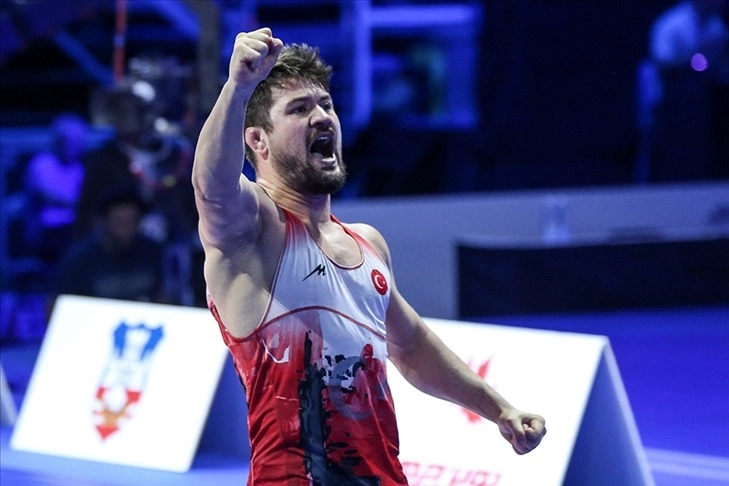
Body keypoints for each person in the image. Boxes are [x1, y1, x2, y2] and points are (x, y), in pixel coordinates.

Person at [192, 28, 546, 484]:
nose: (322, 117)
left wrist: (498, 409)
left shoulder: (367, 243)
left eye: (326, 105)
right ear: (257, 141)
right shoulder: (254, 230)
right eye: (299, 109)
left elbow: (411, 346)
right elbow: (212, 187)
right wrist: (238, 87)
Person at [53, 184, 168, 304]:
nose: (126, 229)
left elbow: (164, 297)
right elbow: (56, 305)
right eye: (120, 222)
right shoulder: (79, 259)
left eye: (132, 221)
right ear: (103, 221)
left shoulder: (153, 251)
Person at [22, 113, 88, 265]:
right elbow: (45, 194)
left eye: (77, 141)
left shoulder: (80, 168)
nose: (73, 146)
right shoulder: (41, 163)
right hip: (50, 231)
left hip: (77, 227)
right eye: (69, 140)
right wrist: (81, 203)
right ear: (58, 139)